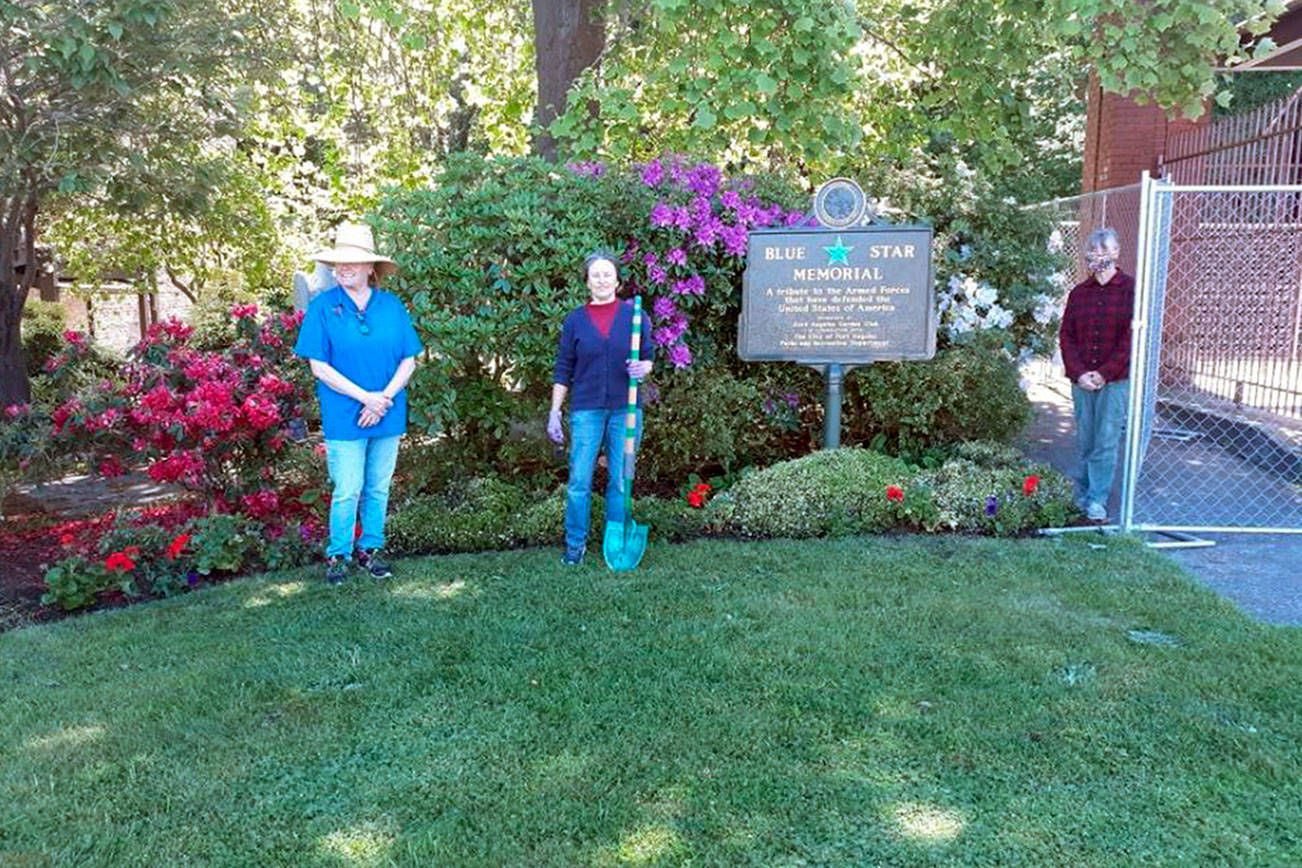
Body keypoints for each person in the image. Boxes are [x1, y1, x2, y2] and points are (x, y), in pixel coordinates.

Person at [294, 223, 422, 583]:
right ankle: (338, 555)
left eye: (353, 262)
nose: (344, 268)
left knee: (378, 486)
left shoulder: (392, 306)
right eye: (339, 263)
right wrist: (367, 398)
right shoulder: (323, 307)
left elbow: (409, 359)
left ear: (371, 268)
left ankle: (371, 549)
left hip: (387, 411)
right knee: (348, 488)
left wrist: (382, 400)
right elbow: (318, 366)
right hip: (344, 414)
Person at [548, 252, 654, 565]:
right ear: (587, 282)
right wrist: (555, 411)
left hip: (627, 410)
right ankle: (575, 545)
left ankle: (615, 538)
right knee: (580, 480)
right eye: (596, 275)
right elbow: (563, 368)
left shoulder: (636, 317)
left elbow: (648, 358)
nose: (602, 279)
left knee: (620, 479)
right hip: (586, 411)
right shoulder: (575, 321)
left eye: (608, 274)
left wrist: (643, 368)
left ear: (618, 281)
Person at [1059, 227, 1134, 522]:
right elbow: (1066, 336)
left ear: (1116, 254)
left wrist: (1103, 373)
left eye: (1104, 253)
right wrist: (1079, 373)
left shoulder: (1130, 290)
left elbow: (1130, 339)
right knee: (1087, 438)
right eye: (1092, 253)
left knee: (1106, 438)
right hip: (1082, 380)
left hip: (1113, 381)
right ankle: (1086, 491)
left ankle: (1097, 499)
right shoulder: (1079, 294)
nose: (1097, 258)